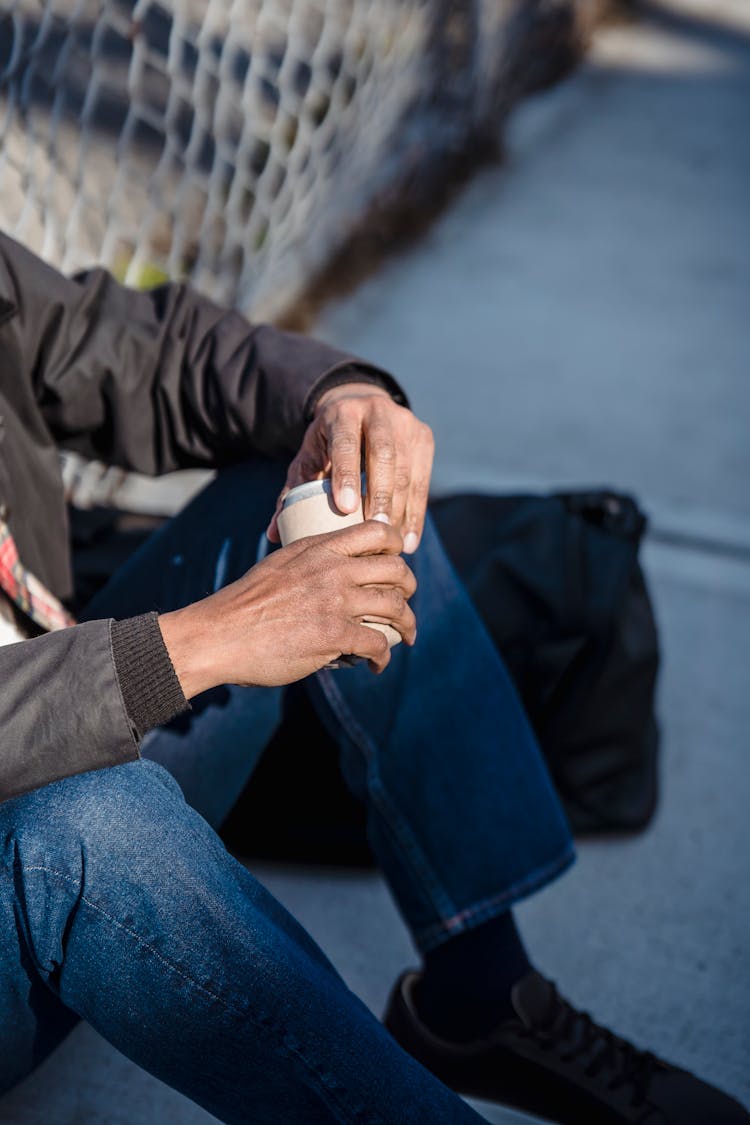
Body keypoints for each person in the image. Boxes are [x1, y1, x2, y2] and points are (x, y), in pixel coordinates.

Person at [0, 230, 745, 1125]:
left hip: (65, 710)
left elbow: (144, 346)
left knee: (341, 506)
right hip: (34, 866)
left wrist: (344, 399)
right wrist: (203, 640)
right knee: (86, 827)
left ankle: (483, 997)